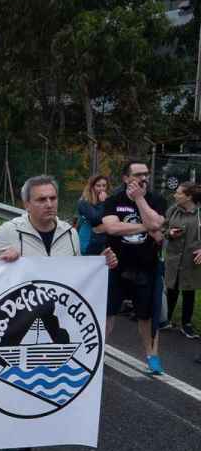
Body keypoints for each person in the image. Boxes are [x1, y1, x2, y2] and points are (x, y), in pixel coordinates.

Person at [0, 175, 117, 451]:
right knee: (16, 393)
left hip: (53, 324)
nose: (49, 204)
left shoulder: (69, 233)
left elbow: (77, 275)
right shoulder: (10, 231)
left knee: (39, 396)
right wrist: (2, 260)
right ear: (27, 203)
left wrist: (101, 264)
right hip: (18, 326)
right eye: (41, 199)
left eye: (53, 198)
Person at [101, 160, 168, 374]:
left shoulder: (156, 200)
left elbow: (157, 224)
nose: (143, 178)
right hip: (115, 265)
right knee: (107, 312)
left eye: (146, 174)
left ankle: (152, 357)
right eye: (138, 174)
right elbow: (112, 228)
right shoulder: (114, 200)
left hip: (146, 267)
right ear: (125, 178)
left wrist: (139, 199)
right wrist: (145, 227)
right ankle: (96, 353)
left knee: (147, 316)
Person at [163, 182, 201, 341]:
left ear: (189, 197)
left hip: (191, 261)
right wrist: (169, 233)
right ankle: (165, 319)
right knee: (171, 288)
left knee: (189, 291)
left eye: (179, 193)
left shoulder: (199, 214)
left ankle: (186, 324)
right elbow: (162, 228)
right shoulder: (173, 210)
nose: (175, 195)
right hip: (173, 259)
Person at [76, 175, 110, 255]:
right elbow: (95, 219)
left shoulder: (108, 200)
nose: (102, 188)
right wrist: (103, 203)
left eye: (104, 186)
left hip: (103, 241)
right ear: (92, 187)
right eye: (98, 186)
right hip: (88, 241)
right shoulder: (84, 201)